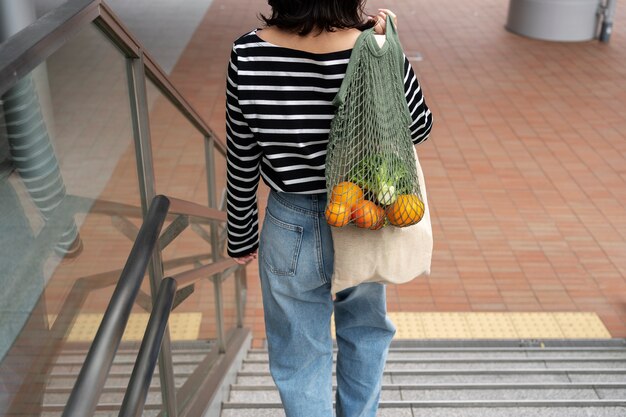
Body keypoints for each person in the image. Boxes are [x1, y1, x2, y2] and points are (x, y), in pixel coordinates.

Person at [225, 1, 433, 416]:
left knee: (299, 354)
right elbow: (419, 125)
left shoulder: (247, 53)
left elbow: (242, 154)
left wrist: (241, 232)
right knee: (365, 331)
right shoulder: (370, 46)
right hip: (363, 215)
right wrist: (390, 46)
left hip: (289, 225)